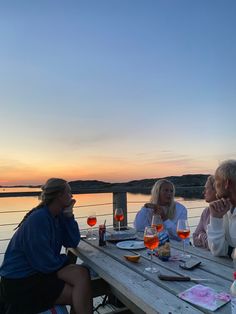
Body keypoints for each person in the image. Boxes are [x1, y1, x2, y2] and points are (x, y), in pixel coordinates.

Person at [0, 178, 93, 314]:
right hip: (20, 282)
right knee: (78, 293)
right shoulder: (39, 219)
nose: (72, 196)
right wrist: (64, 260)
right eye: (69, 192)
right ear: (59, 196)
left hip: (39, 272)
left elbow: (72, 242)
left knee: (82, 273)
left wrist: (69, 215)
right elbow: (45, 263)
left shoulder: (57, 215)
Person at [207, 160, 236, 257]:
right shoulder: (225, 209)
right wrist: (215, 218)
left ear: (227, 183)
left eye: (216, 181)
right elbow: (218, 251)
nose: (215, 186)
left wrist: (231, 251)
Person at [192, 175, 217, 249]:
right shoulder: (206, 212)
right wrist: (206, 238)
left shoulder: (226, 212)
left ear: (216, 190)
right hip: (206, 256)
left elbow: (215, 245)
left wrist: (201, 235)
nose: (203, 192)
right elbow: (194, 237)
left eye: (206, 188)